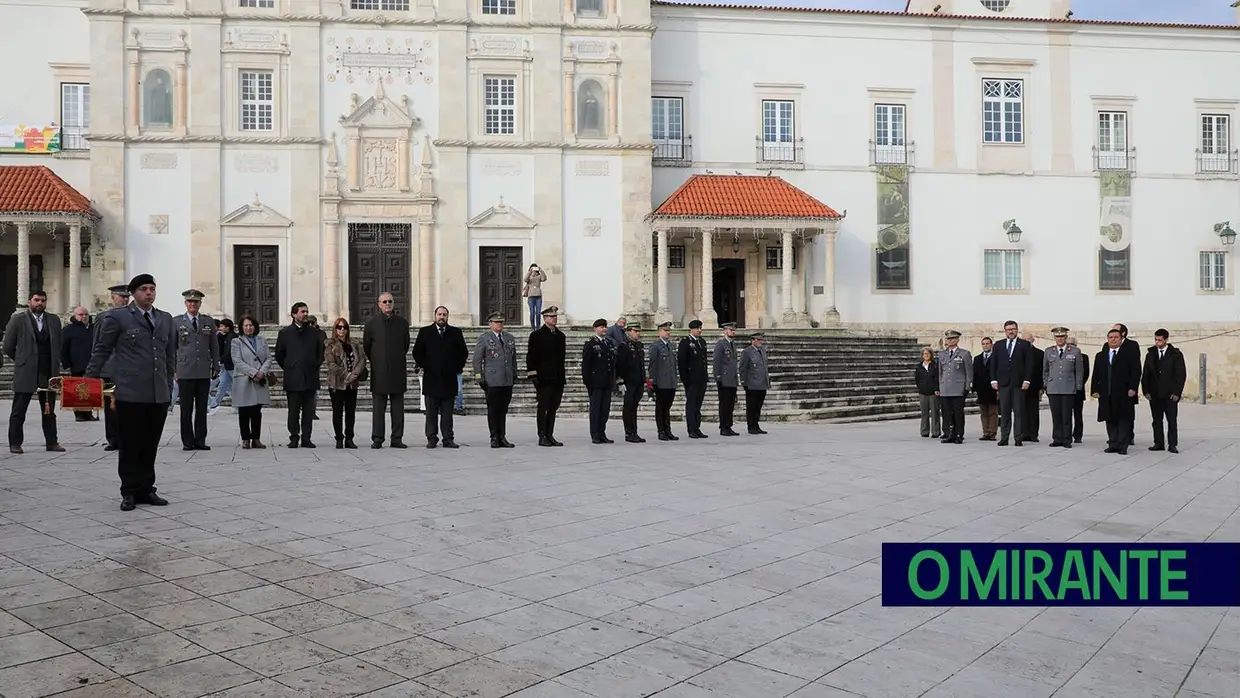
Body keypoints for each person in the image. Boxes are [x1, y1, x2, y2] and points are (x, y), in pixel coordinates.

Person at [85, 274, 176, 511]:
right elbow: (102, 349)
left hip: (157, 393)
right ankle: (129, 491)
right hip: (130, 392)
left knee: (150, 443)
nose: (149, 293)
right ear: (133, 293)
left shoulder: (165, 319)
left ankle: (147, 488)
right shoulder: (118, 317)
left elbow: (169, 355)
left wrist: (167, 383)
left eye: (152, 289)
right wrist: (89, 379)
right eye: (144, 289)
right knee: (129, 444)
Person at [4, 291, 64, 454]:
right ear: (29, 301)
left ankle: (52, 442)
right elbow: (8, 346)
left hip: (48, 371)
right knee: (19, 410)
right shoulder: (18, 320)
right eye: (36, 300)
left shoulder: (53, 320)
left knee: (49, 410)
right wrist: (22, 360)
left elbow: (58, 343)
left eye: (43, 301)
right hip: (26, 371)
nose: (40, 303)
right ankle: (15, 443)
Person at [412, 305, 468, 449]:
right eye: (439, 314)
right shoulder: (425, 332)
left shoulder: (455, 333)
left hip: (449, 379)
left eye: (444, 314)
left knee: (447, 413)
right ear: (435, 315)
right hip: (431, 378)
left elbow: (463, 353)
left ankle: (448, 438)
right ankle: (432, 438)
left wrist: (455, 367)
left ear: (447, 316)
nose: (441, 317)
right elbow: (417, 352)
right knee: (431, 413)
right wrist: (427, 365)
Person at [363, 293, 411, 449]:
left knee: (398, 409)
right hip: (379, 371)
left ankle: (397, 438)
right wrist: (378, 360)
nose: (387, 304)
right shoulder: (371, 324)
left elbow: (405, 345)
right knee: (378, 409)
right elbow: (367, 347)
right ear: (379, 304)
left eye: (390, 301)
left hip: (397, 371)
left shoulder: (402, 323)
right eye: (384, 302)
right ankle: (377, 438)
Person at [172, 289, 219, 451]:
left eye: (196, 302)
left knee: (201, 408)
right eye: (190, 302)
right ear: (185, 303)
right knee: (185, 408)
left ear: (200, 304)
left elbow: (214, 345)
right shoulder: (177, 322)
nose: (193, 304)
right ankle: (187, 440)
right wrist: (172, 369)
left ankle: (200, 439)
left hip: (203, 370)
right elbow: (172, 347)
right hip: (184, 369)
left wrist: (216, 365)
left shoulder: (208, 321)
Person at [274, 302, 324, 448]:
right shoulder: (284, 333)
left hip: (310, 376)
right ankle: (294, 436)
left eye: (307, 311)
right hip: (293, 377)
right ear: (294, 314)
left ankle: (307, 438)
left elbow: (320, 353)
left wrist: (314, 364)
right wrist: (290, 366)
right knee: (293, 411)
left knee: (309, 411)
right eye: (302, 312)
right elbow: (279, 354)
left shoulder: (314, 333)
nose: (305, 314)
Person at [1092, 328, 1141, 455]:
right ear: (1107, 339)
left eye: (1116, 337)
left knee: (1123, 419)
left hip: (1124, 392)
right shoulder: (1101, 355)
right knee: (1110, 419)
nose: (1113, 339)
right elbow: (1096, 374)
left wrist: (1133, 388)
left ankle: (1122, 445)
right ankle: (1113, 443)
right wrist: (1094, 389)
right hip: (1106, 392)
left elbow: (1136, 372)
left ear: (1121, 339)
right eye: (1111, 337)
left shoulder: (1129, 353)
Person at [473, 312, 518, 448]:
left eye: (501, 322)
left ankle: (502, 436)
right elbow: (477, 360)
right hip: (492, 380)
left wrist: (514, 373)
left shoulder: (509, 338)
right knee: (493, 410)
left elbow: (513, 358)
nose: (499, 324)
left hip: (506, 380)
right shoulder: (485, 339)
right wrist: (479, 377)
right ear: (490, 324)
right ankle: (494, 436)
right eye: (496, 322)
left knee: (503, 409)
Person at [96, 284, 132, 451]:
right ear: (112, 298)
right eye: (121, 297)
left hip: (130, 369)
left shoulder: (135, 316)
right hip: (110, 369)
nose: (125, 299)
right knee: (111, 407)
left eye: (127, 297)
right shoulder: (103, 317)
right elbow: (98, 345)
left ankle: (128, 437)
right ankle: (113, 438)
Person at [525, 305, 566, 447]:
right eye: (551, 317)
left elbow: (561, 359)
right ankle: (542, 435)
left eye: (555, 316)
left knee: (553, 407)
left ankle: (550, 434)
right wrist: (533, 375)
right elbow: (531, 357)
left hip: (557, 378)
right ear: (544, 318)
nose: (554, 319)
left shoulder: (560, 336)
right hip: (544, 378)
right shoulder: (536, 335)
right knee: (543, 408)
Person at [990, 320, 1035, 447]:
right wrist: (993, 380)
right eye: (1008, 329)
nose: (1011, 331)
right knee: (1004, 412)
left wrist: (1027, 380)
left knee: (1019, 411)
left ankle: (1018, 438)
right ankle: (1004, 437)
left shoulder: (1024, 345)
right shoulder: (999, 345)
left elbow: (1029, 364)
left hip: (1018, 384)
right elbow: (994, 363)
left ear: (1017, 330)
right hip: (1004, 383)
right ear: (1005, 331)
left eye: (1013, 329)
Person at [1141, 328, 1187, 453]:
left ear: (1166, 340)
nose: (1157, 342)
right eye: (1155, 340)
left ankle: (1172, 444)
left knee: (1171, 420)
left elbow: (1180, 374)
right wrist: (1146, 391)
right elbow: (1146, 374)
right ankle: (1158, 442)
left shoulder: (1176, 354)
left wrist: (1177, 392)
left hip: (1170, 394)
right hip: (1155, 394)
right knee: (1156, 420)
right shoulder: (1150, 354)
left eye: (1160, 340)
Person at [231, 315, 272, 450]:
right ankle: (245, 439)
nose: (249, 328)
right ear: (241, 328)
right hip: (244, 379)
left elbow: (268, 358)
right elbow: (237, 361)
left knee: (256, 411)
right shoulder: (236, 342)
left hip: (259, 380)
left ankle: (256, 438)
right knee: (244, 411)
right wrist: (253, 372)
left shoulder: (262, 340)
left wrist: (262, 372)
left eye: (251, 325)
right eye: (246, 325)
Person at [325, 318, 367, 449]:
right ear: (335, 329)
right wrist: (346, 375)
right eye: (339, 327)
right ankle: (339, 438)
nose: (342, 329)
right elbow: (331, 364)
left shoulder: (355, 343)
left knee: (350, 412)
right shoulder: (330, 345)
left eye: (344, 327)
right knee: (338, 412)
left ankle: (349, 438)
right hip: (337, 383)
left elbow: (362, 359)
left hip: (352, 384)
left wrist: (354, 374)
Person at [1043, 327, 1085, 449]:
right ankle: (1057, 438)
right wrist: (1046, 383)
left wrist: (1078, 386)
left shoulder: (1075, 351)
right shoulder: (1049, 351)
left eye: (1062, 337)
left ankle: (1067, 439)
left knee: (1066, 415)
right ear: (1054, 338)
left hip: (1068, 387)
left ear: (1066, 338)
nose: (1059, 339)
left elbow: (1079, 371)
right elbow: (1045, 370)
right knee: (1056, 415)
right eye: (1057, 337)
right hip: (1053, 387)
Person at [583, 318, 617, 444]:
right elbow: (586, 366)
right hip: (596, 383)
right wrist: (588, 383)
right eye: (601, 327)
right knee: (596, 410)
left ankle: (602, 432)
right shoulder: (591, 344)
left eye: (605, 327)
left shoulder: (608, 343)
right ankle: (595, 434)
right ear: (595, 328)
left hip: (607, 382)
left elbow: (611, 363)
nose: (604, 329)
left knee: (604, 409)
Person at [936, 330, 972, 444]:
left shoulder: (964, 354)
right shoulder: (942, 354)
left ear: (957, 340)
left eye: (952, 338)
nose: (949, 341)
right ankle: (950, 433)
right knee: (947, 413)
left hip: (958, 388)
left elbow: (969, 372)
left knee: (958, 413)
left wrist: (967, 387)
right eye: (948, 339)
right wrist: (940, 385)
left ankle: (959, 434)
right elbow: (940, 372)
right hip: (945, 388)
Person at [60, 306, 96, 422]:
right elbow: (63, 347)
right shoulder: (68, 329)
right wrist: (66, 363)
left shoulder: (93, 328)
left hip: (92, 365)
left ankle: (88, 412)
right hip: (76, 365)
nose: (84, 317)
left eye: (85, 314)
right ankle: (79, 414)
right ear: (75, 316)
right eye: (81, 315)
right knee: (77, 390)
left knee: (90, 390)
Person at [678, 319, 709, 439]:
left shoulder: (701, 342)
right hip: (691, 379)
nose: (699, 330)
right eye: (697, 328)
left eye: (700, 328)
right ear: (691, 329)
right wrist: (685, 379)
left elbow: (704, 361)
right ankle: (691, 429)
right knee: (691, 405)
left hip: (701, 379)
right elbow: (682, 362)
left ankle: (697, 427)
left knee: (698, 405)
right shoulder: (685, 342)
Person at [615, 323, 647, 443]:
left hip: (638, 381)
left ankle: (634, 431)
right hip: (629, 382)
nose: (638, 333)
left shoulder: (638, 345)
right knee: (628, 407)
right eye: (635, 331)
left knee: (634, 407)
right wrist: (620, 381)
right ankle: (629, 432)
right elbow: (620, 365)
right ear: (628, 331)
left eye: (639, 331)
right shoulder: (624, 346)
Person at [647, 321, 679, 441]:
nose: (668, 332)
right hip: (660, 382)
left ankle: (668, 430)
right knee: (660, 408)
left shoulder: (670, 346)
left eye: (669, 330)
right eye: (665, 330)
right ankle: (661, 431)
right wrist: (652, 382)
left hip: (670, 382)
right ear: (659, 332)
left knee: (667, 407)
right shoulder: (655, 346)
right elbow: (652, 366)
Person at [739, 331, 770, 434]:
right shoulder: (747, 352)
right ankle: (751, 426)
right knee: (752, 407)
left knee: (758, 407)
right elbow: (742, 368)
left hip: (762, 384)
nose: (761, 342)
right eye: (759, 340)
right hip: (752, 384)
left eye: (762, 340)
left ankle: (756, 425)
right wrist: (744, 382)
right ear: (753, 340)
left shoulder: (763, 351)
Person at [713, 322, 740, 437]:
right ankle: (723, 426)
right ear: (725, 331)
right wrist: (718, 377)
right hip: (724, 379)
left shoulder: (733, 344)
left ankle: (729, 425)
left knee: (730, 404)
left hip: (732, 379)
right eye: (730, 330)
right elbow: (716, 362)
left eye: (733, 330)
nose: (732, 332)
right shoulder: (721, 345)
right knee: (724, 404)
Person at [208, 318, 237, 413]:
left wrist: (220, 360)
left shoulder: (232, 337)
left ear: (227, 327)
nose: (220, 328)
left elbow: (229, 352)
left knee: (237, 386)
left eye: (222, 326)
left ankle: (242, 405)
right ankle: (214, 405)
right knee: (223, 384)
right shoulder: (225, 337)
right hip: (227, 365)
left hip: (232, 365)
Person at [972, 337, 998, 440]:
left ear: (991, 345)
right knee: (983, 413)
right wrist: (974, 389)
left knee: (993, 412)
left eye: (987, 343)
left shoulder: (996, 358)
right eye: (983, 344)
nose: (985, 345)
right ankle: (985, 432)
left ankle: (992, 433)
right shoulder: (977, 358)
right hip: (981, 390)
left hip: (993, 389)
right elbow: (975, 374)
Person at [1021, 332, 1044, 443]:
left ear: (1033, 340)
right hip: (1020, 387)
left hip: (1034, 387)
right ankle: (1024, 433)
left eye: (1028, 339)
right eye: (1024, 339)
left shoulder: (1040, 353)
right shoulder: (1018, 352)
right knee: (1022, 411)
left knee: (1034, 412)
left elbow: (1042, 372)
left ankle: (1033, 434)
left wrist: (1041, 388)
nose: (1026, 341)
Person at [915, 346, 940, 439]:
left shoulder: (935, 365)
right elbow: (917, 379)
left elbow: (937, 378)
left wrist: (937, 389)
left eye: (928, 353)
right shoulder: (919, 367)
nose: (926, 355)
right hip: (923, 392)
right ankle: (924, 431)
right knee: (924, 412)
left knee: (935, 412)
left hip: (933, 392)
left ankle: (935, 431)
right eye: (924, 354)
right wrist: (920, 387)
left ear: (931, 355)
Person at [1067, 335, 1089, 444]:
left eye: (1073, 344)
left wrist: (1078, 385)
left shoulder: (1084, 357)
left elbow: (1085, 374)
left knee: (1078, 414)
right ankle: (1066, 434)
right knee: (1066, 414)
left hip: (1078, 391)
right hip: (1065, 390)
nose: (1070, 346)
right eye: (1069, 344)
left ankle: (1078, 435)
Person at [523, 263, 547, 329]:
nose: (534, 270)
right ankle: (532, 326)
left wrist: (540, 270)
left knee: (538, 313)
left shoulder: (539, 276)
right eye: (533, 268)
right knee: (532, 312)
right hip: (531, 296)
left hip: (538, 296)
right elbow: (525, 279)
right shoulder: (529, 277)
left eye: (535, 268)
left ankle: (538, 326)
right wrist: (529, 272)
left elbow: (544, 279)